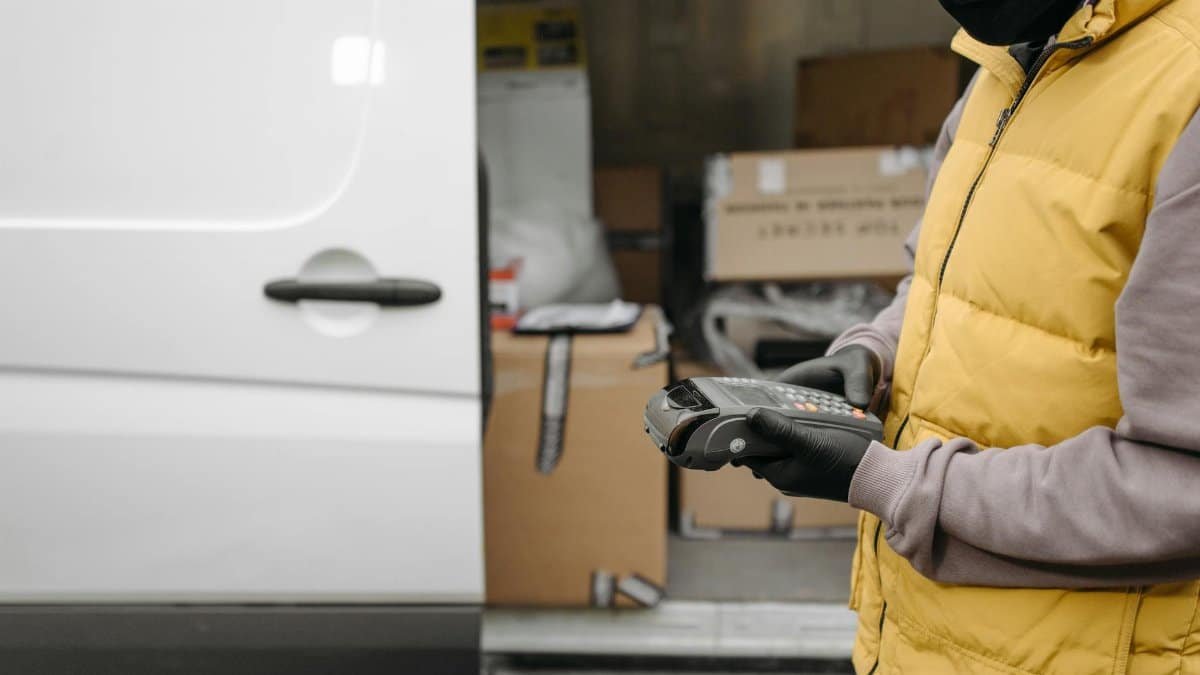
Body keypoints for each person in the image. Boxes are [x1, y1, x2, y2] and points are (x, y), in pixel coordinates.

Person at [736, 0, 1200, 673]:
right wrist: (872, 351)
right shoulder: (1012, 60)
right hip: (917, 641)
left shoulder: (1184, 91)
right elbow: (943, 281)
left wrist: (887, 482)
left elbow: (1182, 487)